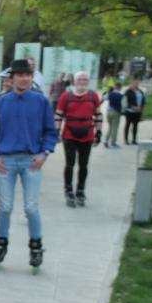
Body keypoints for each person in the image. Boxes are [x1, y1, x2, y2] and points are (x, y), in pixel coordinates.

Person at [0, 59, 58, 268]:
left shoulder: (40, 101)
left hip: (31, 160)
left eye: (27, 75)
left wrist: (44, 153)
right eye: (20, 75)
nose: (24, 79)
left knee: (31, 207)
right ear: (12, 78)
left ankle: (36, 246)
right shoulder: (1, 102)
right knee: (6, 206)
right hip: (5, 161)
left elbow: (50, 131)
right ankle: (1, 244)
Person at [55, 72, 102, 208]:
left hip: (87, 134)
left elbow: (98, 115)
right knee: (69, 164)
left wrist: (98, 133)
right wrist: (56, 131)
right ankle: (68, 190)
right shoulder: (66, 96)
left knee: (83, 164)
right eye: (80, 79)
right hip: (69, 134)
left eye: (85, 79)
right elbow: (58, 115)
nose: (82, 81)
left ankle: (80, 190)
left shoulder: (93, 96)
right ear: (74, 81)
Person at [123, 79, 146, 145]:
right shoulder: (128, 91)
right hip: (129, 111)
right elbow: (125, 102)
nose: (136, 85)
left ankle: (134, 139)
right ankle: (126, 139)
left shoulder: (140, 92)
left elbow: (143, 101)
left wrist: (142, 109)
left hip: (138, 112)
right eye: (134, 83)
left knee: (135, 126)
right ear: (131, 84)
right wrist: (133, 107)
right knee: (128, 125)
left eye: (137, 83)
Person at [104, 79, 124, 148]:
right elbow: (123, 105)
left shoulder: (110, 94)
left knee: (110, 127)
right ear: (120, 87)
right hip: (116, 112)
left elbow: (104, 98)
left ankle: (106, 140)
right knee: (115, 128)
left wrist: (108, 91)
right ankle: (113, 142)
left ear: (115, 87)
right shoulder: (121, 96)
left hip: (109, 112)